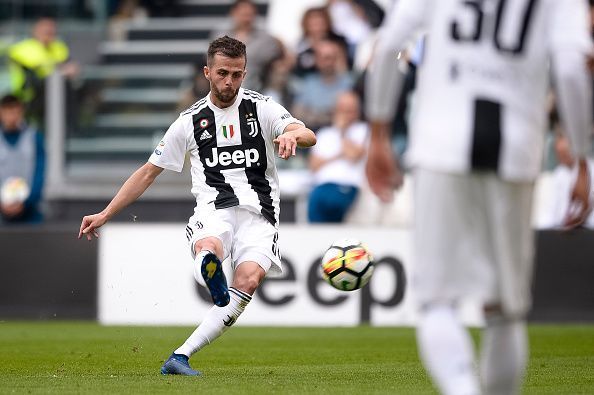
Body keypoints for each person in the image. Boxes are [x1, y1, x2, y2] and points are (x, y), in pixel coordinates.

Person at [365, 1, 593, 394]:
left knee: (437, 302)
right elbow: (572, 69)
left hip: (440, 146)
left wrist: (379, 132)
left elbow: (388, 46)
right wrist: (582, 156)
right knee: (505, 310)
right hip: (517, 150)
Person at [78, 36, 316, 376]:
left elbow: (306, 132)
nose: (229, 82)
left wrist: (293, 135)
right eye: (222, 73)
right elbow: (148, 173)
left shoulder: (261, 107)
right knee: (211, 244)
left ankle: (181, 356)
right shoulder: (189, 121)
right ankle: (208, 263)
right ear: (207, 72)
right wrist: (105, 214)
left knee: (248, 280)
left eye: (236, 74)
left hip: (260, 214)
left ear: (244, 73)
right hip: (215, 206)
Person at [308, 91, 368, 222]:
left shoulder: (363, 130)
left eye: (350, 110)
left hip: (345, 186)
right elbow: (313, 165)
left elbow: (354, 156)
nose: (346, 115)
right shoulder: (324, 134)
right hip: (320, 187)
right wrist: (339, 155)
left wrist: (342, 132)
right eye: (343, 110)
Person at [7, 17, 79, 125]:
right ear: (35, 32)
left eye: (51, 32)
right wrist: (60, 69)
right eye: (46, 32)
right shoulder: (22, 48)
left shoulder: (59, 47)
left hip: (55, 95)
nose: (49, 35)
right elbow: (37, 69)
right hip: (28, 95)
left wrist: (67, 69)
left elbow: (70, 66)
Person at [211, 0, 284, 92]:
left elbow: (276, 59)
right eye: (243, 13)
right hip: (224, 81)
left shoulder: (265, 38)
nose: (246, 18)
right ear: (233, 13)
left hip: (258, 84)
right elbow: (210, 59)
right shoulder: (220, 35)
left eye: (249, 14)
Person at [0, 94, 45, 224]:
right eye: (8, 111)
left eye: (15, 111)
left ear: (21, 111)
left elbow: (40, 172)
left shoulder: (34, 137)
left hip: (31, 214)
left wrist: (26, 202)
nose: (12, 116)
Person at [291, 39, 353, 131]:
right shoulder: (308, 83)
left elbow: (352, 113)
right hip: (313, 133)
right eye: (323, 58)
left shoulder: (348, 83)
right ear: (316, 60)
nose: (327, 63)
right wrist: (329, 116)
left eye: (330, 58)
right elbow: (297, 113)